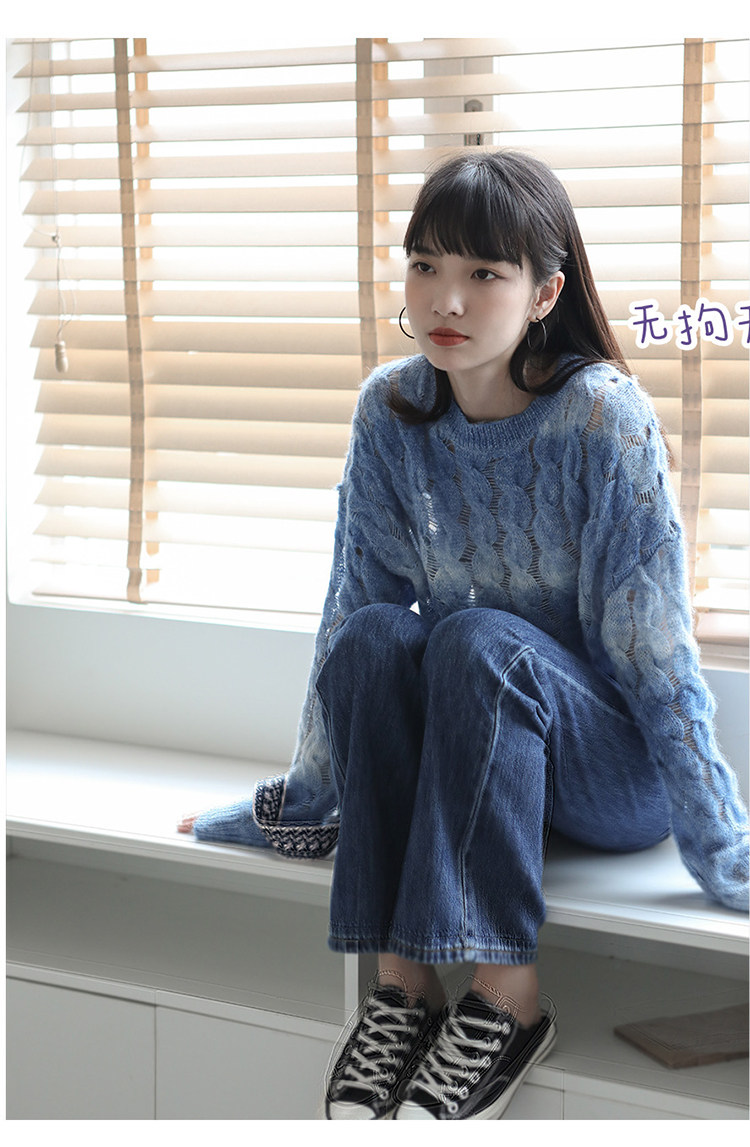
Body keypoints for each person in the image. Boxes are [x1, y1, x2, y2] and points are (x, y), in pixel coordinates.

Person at [178, 150, 749, 1121]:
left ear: (545, 293)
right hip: (476, 759)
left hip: (608, 775)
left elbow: (654, 650)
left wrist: (722, 845)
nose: (446, 297)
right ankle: (404, 992)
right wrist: (299, 801)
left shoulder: (602, 417)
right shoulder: (391, 412)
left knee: (477, 637)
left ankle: (509, 1000)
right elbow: (350, 619)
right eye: (425, 265)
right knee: (376, 635)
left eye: (484, 272)